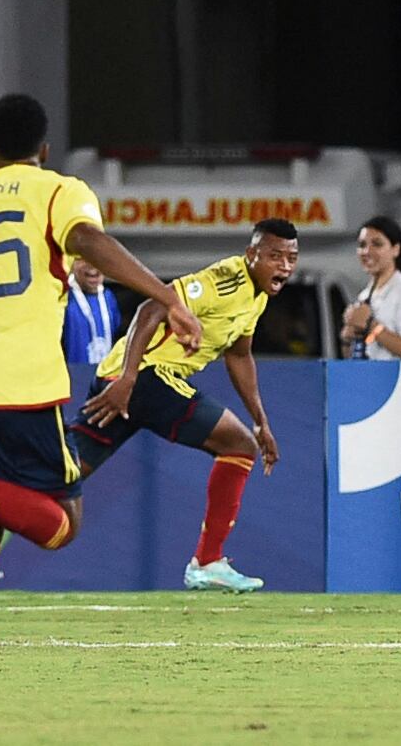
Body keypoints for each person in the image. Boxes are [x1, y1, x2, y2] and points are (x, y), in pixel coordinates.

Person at [0, 93, 202, 702]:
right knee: (62, 526)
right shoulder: (58, 190)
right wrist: (166, 297)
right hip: (20, 382)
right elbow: (86, 238)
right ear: (44, 147)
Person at [71, 217, 299, 593]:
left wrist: (261, 421)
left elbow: (240, 356)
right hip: (144, 376)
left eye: (291, 258)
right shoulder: (227, 279)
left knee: (64, 472)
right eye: (275, 256)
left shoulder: (255, 299)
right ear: (251, 255)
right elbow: (152, 307)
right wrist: (128, 378)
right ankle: (207, 562)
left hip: (126, 380)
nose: (285, 267)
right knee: (237, 446)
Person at [340, 215, 401, 360]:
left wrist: (372, 326)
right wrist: (348, 338)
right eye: (362, 245)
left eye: (377, 244)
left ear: (396, 249)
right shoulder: (364, 296)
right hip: (372, 379)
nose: (366, 252)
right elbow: (353, 358)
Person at [62, 257, 121, 364]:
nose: (92, 266)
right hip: (71, 376)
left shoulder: (109, 298)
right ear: (71, 262)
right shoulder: (63, 298)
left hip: (104, 376)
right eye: (83, 259)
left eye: (98, 258)